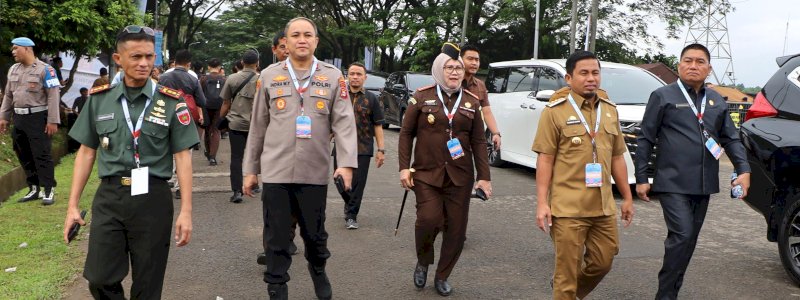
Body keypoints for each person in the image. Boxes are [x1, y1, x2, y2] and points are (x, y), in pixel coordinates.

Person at [62, 25, 198, 299]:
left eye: (149, 56)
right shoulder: (99, 101)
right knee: (99, 278)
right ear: (118, 60)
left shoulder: (171, 102)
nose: (144, 63)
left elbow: (183, 157)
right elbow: (86, 153)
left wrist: (186, 211)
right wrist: (72, 206)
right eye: (136, 57)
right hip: (110, 196)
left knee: (148, 285)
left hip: (153, 198)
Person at [242, 17, 358, 300]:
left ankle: (318, 269)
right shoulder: (268, 76)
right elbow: (258, 125)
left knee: (315, 236)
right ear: (286, 42)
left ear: (316, 41)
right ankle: (277, 286)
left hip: (314, 173)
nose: (302, 39)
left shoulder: (333, 76)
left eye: (308, 34)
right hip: (275, 173)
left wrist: (345, 164)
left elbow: (344, 123)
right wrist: (250, 169)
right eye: (296, 35)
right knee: (276, 237)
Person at [635, 43, 751, 300]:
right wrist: (642, 177)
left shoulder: (717, 100)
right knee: (682, 235)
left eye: (700, 62)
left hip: (704, 184)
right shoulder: (662, 96)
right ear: (679, 65)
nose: (693, 65)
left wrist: (743, 169)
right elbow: (645, 138)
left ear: (709, 69)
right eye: (688, 60)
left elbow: (731, 139)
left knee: (687, 243)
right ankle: (664, 296)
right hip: (672, 182)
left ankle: (670, 294)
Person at [532, 50, 634, 300]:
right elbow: (545, 159)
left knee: (603, 261)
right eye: (584, 73)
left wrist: (627, 197)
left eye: (595, 73)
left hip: (602, 206)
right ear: (569, 78)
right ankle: (564, 291)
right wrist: (542, 203)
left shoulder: (609, 110)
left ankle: (567, 291)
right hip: (568, 208)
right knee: (566, 272)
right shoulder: (554, 111)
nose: (591, 78)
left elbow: (618, 156)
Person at [398, 42, 492, 297]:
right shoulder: (421, 96)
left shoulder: (472, 101)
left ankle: (442, 275)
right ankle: (423, 261)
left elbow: (479, 142)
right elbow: (406, 133)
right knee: (428, 219)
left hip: (460, 176)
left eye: (458, 68)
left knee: (457, 231)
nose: (454, 72)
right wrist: (404, 168)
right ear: (440, 69)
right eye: (449, 67)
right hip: (426, 173)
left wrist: (484, 177)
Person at [253, 31, 299, 265]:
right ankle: (270, 249)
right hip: (274, 153)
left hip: (303, 154)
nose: (286, 50)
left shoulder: (308, 76)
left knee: (294, 206)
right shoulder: (267, 77)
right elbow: (260, 119)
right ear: (274, 50)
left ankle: (287, 238)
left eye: (287, 46)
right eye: (282, 47)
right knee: (272, 206)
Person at [0, 37, 61, 205]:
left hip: (38, 118)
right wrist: (3, 117)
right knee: (23, 152)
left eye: (15, 48)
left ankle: (48, 189)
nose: (12, 51)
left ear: (27, 49)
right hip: (18, 118)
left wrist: (53, 120)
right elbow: (8, 95)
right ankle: (33, 188)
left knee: (41, 153)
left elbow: (53, 95)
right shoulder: (13, 69)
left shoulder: (46, 70)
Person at [334, 62, 385, 229]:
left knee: (358, 184)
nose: (355, 77)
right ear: (347, 76)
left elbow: (378, 125)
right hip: (341, 147)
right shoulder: (339, 96)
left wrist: (381, 150)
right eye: (352, 73)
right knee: (339, 181)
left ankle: (351, 215)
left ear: (365, 77)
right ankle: (349, 203)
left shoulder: (372, 99)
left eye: (359, 74)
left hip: (363, 147)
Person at [158, 49, 206, 198]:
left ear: (175, 61)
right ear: (188, 63)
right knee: (185, 152)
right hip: (185, 118)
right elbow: (202, 101)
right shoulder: (192, 78)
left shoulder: (164, 77)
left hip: (165, 116)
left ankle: (168, 179)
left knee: (166, 149)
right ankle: (180, 186)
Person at [219, 51, 259, 205]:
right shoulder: (261, 79)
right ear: (257, 63)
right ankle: (254, 184)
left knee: (236, 157)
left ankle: (236, 191)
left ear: (242, 62)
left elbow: (226, 103)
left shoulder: (232, 78)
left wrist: (221, 119)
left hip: (235, 124)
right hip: (256, 125)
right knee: (255, 155)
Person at [459, 44, 501, 150]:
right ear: (460, 60)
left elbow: (486, 111)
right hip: (452, 136)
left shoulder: (480, 85)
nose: (474, 63)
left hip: (473, 138)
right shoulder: (452, 82)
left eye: (477, 60)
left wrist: (495, 133)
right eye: (470, 59)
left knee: (480, 165)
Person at [200, 58, 225, 165]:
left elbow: (199, 95)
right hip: (219, 107)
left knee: (207, 130)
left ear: (209, 67)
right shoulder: (224, 80)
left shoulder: (203, 79)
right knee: (215, 131)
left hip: (206, 106)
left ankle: (209, 152)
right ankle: (213, 157)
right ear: (219, 67)